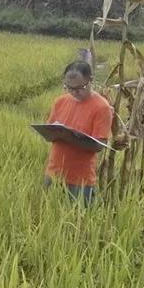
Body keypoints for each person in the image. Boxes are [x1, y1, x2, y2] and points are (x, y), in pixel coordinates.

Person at [43, 61, 114, 203]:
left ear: (91, 81)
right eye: (69, 88)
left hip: (80, 180)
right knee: (47, 219)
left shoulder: (101, 107)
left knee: (78, 222)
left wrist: (68, 137)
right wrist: (52, 133)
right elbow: (49, 132)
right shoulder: (60, 102)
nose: (74, 92)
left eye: (79, 88)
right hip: (53, 173)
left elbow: (99, 145)